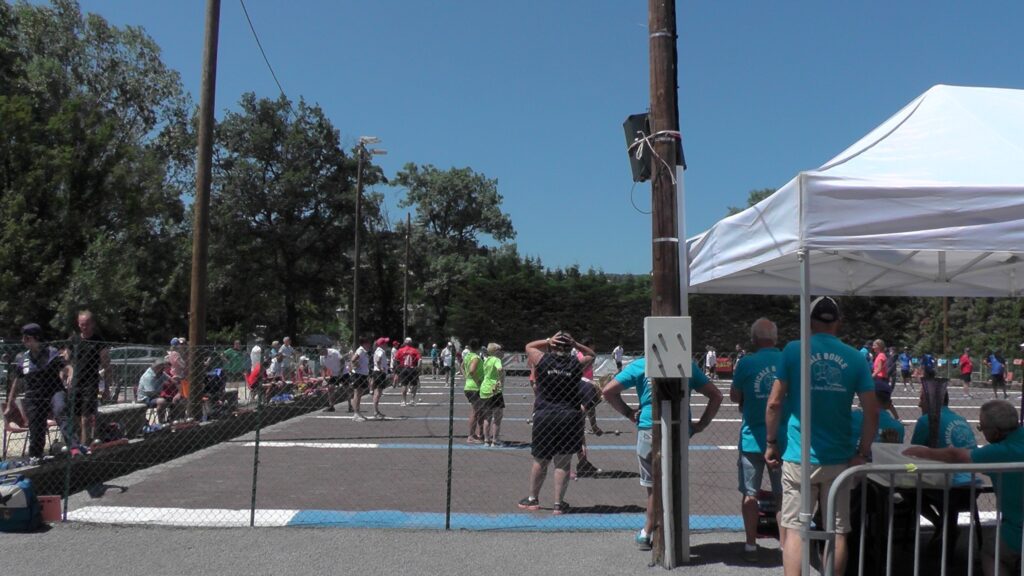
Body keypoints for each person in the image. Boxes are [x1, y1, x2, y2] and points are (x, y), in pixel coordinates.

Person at [765, 296, 878, 576]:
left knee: (794, 530)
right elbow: (872, 412)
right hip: (839, 457)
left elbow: (774, 402)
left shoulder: (793, 350)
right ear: (838, 322)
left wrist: (770, 442)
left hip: (799, 456)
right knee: (837, 532)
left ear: (809, 321)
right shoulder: (855, 357)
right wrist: (862, 452)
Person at [603, 344, 722, 551]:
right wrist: (700, 425)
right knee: (675, 480)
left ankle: (647, 531)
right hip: (678, 427)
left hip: (648, 427)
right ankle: (675, 531)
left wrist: (629, 413)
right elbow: (716, 395)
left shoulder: (640, 365)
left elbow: (608, 391)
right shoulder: (687, 365)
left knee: (653, 486)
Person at [904, 400, 1023, 576]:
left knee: (991, 552)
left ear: (996, 432)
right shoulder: (961, 420)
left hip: (1017, 527)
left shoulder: (998, 452)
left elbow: (956, 455)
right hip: (971, 489)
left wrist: (919, 453)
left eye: (981, 428)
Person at [517, 332, 594, 515]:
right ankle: (558, 504)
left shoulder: (544, 360)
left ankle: (532, 499)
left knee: (540, 460)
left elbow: (529, 346)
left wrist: (547, 341)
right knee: (563, 462)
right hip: (569, 414)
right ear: (570, 348)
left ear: (553, 346)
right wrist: (576, 343)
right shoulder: (575, 363)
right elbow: (592, 355)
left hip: (545, 414)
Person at [730, 318, 787, 561]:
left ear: (754, 339)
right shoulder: (787, 360)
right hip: (782, 438)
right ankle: (786, 546)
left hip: (752, 438)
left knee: (750, 494)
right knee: (784, 494)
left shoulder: (746, 362)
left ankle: (751, 544)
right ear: (775, 338)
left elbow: (734, 396)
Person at [3, 323, 78, 462]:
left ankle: (74, 447)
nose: (23, 341)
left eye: (26, 338)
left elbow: (67, 366)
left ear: (35, 338)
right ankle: (35, 456)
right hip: (34, 396)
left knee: (60, 410)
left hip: (53, 391)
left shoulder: (51, 352)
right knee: (36, 425)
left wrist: (71, 375)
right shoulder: (23, 358)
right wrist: (10, 402)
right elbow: (17, 381)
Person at [69, 310, 110, 446]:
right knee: (74, 416)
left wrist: (107, 388)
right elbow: (66, 360)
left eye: (86, 324)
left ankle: (84, 445)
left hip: (90, 382)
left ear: (92, 324)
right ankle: (74, 444)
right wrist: (69, 371)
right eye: (81, 324)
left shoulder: (99, 341)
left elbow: (106, 363)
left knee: (85, 417)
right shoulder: (74, 340)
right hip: (76, 382)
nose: (83, 327)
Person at [479, 342, 505, 446]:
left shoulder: (486, 360)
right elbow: (500, 369)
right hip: (494, 389)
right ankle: (495, 440)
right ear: (495, 352)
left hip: (484, 389)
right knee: (498, 416)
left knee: (487, 416)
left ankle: (486, 440)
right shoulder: (496, 360)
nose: (500, 352)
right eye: (499, 350)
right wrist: (500, 380)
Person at [137, 358, 173, 424]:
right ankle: (160, 422)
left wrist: (176, 381)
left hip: (155, 395)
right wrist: (163, 396)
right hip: (145, 398)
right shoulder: (148, 376)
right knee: (162, 401)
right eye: (162, 368)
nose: (163, 370)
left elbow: (170, 379)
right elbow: (151, 393)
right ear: (158, 368)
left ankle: (173, 421)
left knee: (173, 399)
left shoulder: (160, 373)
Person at [462, 339, 484, 443]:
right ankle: (470, 436)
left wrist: (466, 377)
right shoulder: (475, 357)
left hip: (469, 386)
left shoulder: (467, 356)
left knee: (478, 411)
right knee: (475, 412)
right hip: (475, 387)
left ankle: (477, 434)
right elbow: (471, 370)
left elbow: (462, 367)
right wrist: (478, 380)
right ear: (479, 347)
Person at [871, 339, 898, 421]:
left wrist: (872, 376)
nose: (873, 347)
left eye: (874, 345)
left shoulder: (881, 356)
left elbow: (879, 369)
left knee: (884, 400)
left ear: (879, 346)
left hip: (880, 379)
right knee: (878, 399)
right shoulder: (879, 355)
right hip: (879, 379)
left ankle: (896, 417)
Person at [318, 344, 346, 412]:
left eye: (320, 350)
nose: (319, 352)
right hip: (333, 374)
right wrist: (324, 377)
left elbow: (342, 361)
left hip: (343, 372)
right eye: (318, 351)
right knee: (330, 388)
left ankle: (350, 406)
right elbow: (324, 368)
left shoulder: (334, 352)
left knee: (347, 388)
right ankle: (331, 406)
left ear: (324, 349)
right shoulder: (321, 357)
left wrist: (341, 372)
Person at [395, 338, 422, 406]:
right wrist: (418, 368)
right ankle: (412, 400)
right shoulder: (415, 350)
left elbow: (396, 360)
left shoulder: (400, 350)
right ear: (411, 343)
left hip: (403, 368)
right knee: (414, 385)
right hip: (412, 369)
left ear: (405, 342)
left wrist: (398, 369)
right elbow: (420, 360)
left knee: (404, 385)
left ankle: (404, 401)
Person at [349, 337, 371, 421]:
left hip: (363, 374)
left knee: (360, 394)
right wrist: (356, 366)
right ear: (364, 343)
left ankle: (358, 412)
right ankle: (355, 414)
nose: (369, 345)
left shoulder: (364, 351)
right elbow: (353, 359)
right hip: (358, 375)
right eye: (368, 343)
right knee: (357, 394)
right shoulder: (361, 350)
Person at [369, 337, 390, 420]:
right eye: (385, 343)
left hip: (378, 373)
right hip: (379, 373)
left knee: (377, 393)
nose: (387, 344)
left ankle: (376, 411)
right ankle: (376, 411)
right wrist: (380, 368)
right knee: (378, 393)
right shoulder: (380, 351)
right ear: (382, 344)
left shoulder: (378, 351)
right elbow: (378, 360)